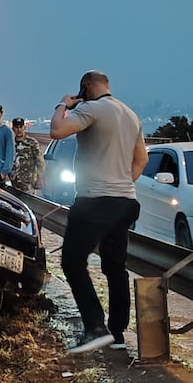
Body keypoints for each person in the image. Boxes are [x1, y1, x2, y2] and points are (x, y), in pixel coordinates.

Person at [50, 70, 148, 354]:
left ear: (87, 87)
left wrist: (62, 105)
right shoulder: (130, 115)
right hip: (125, 202)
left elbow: (57, 131)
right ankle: (117, 333)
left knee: (72, 260)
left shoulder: (91, 108)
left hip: (95, 199)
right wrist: (121, 183)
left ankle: (95, 327)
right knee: (115, 267)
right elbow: (141, 159)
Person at [10, 117, 46, 194]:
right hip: (13, 181)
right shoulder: (10, 143)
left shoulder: (32, 143)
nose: (19, 130)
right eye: (16, 127)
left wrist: (40, 178)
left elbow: (39, 161)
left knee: (29, 204)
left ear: (24, 127)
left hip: (29, 182)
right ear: (13, 129)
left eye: (21, 127)